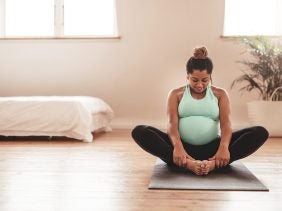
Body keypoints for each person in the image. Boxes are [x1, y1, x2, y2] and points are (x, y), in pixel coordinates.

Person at [131, 46, 269, 176]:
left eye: (205, 80)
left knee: (259, 132)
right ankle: (188, 164)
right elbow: (172, 124)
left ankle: (214, 164)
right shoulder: (176, 94)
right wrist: (178, 147)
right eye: (194, 80)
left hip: (213, 149)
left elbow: (226, 124)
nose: (199, 85)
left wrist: (224, 147)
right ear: (187, 76)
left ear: (210, 77)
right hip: (181, 149)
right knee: (140, 130)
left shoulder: (220, 94)